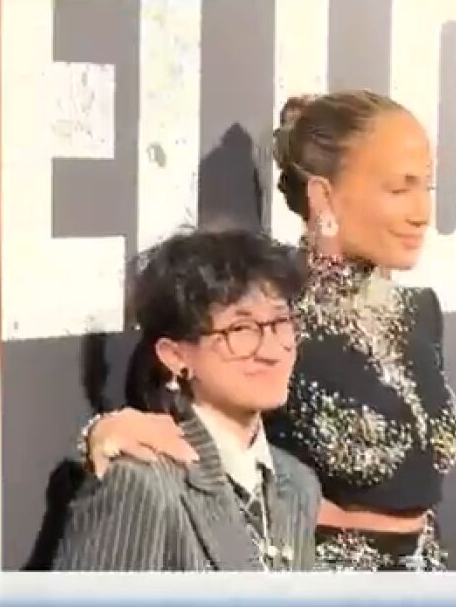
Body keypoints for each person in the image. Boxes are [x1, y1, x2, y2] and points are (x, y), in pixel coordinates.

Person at [80, 90, 456, 571]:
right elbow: (178, 421)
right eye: (399, 189)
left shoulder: (421, 311)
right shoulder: (271, 312)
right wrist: (104, 433)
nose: (422, 212)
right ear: (324, 196)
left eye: (427, 187)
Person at [54, 229, 321, 571]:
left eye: (280, 323)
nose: (271, 350)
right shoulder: (143, 483)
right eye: (241, 330)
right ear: (175, 355)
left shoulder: (298, 485)